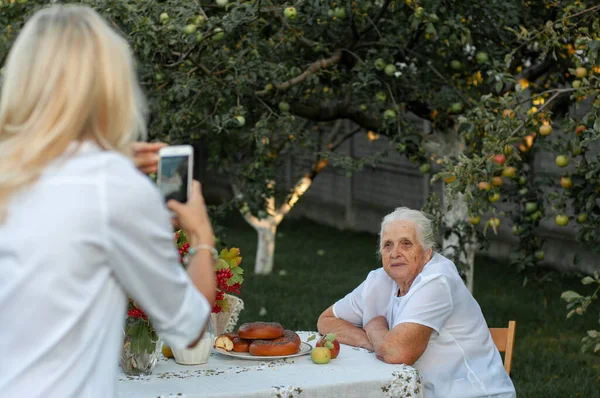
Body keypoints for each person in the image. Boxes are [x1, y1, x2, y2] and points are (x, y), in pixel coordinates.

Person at [0, 5, 216, 397]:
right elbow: (188, 328)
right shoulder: (112, 188)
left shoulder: (10, 174)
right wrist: (201, 236)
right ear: (110, 86)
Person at [317, 207, 516, 398]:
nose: (395, 253)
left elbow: (398, 353)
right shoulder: (379, 281)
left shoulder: (438, 280)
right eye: (388, 245)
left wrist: (375, 326)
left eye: (406, 243)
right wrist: (375, 343)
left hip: (474, 393)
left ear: (427, 252)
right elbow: (326, 321)